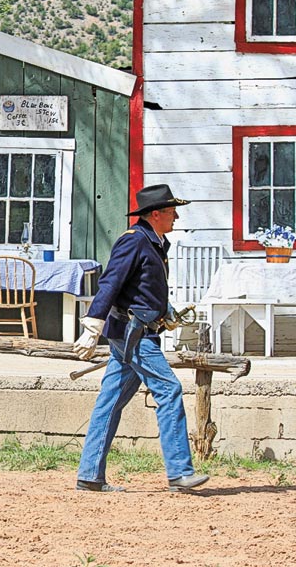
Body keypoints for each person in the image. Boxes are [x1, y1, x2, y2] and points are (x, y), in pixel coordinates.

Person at [73, 184, 210, 493]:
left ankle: (90, 475)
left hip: (138, 330)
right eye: (172, 210)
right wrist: (92, 327)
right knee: (169, 389)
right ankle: (179, 472)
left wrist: (167, 311)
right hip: (133, 333)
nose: (176, 215)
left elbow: (142, 288)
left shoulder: (155, 243)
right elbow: (110, 283)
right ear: (156, 214)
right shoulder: (134, 242)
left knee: (110, 402)